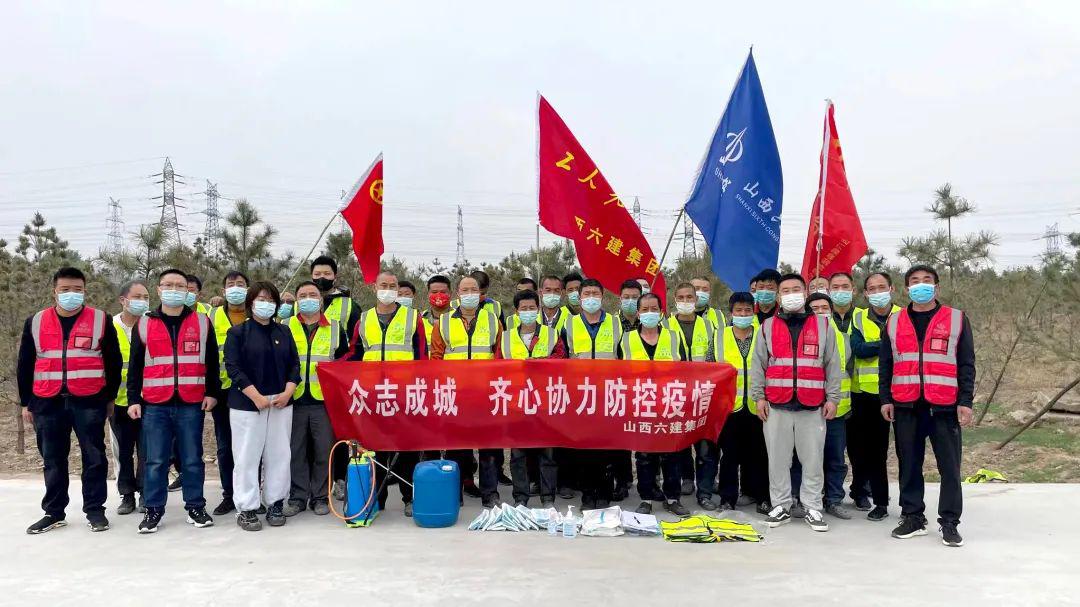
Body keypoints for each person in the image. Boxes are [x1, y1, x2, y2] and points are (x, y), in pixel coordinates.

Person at [18, 266, 123, 534]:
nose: (71, 294)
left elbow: (113, 360)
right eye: (65, 289)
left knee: (94, 457)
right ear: (54, 292)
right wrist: (25, 402)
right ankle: (53, 512)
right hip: (47, 401)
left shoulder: (100, 319)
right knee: (53, 459)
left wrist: (110, 396)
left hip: (89, 400)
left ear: (85, 291)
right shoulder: (36, 321)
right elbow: (25, 363)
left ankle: (95, 511)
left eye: (77, 289)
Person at [880, 264, 974, 548]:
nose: (921, 285)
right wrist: (885, 398)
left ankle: (949, 522)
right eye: (915, 281)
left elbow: (966, 363)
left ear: (937, 286)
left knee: (950, 467)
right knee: (909, 464)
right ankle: (912, 516)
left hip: (944, 406)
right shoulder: (894, 322)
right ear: (907, 288)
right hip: (906, 404)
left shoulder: (956, 319)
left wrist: (965, 401)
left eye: (927, 280)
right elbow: (886, 363)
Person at [127, 268, 221, 534]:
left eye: (180, 286)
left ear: (188, 291)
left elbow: (212, 361)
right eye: (168, 285)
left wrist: (212, 392)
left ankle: (196, 506)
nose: (174, 290)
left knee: (192, 459)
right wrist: (134, 399)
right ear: (158, 290)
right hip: (155, 403)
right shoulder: (144, 323)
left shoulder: (202, 322)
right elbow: (135, 366)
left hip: (191, 402)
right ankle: (153, 509)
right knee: (155, 460)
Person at [750, 273, 842, 532]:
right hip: (776, 405)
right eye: (786, 291)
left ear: (805, 293)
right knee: (778, 460)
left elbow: (833, 364)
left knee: (812, 460)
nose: (791, 295)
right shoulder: (767, 326)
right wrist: (759, 397)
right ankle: (781, 505)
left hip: (812, 405)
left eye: (796, 289)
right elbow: (758, 364)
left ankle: (813, 506)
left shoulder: (824, 326)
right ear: (779, 297)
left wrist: (833, 398)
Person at [348, 272, 428, 516]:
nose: (388, 289)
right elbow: (354, 354)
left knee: (406, 448)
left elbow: (421, 356)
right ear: (374, 288)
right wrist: (331, 368)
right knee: (375, 447)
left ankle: (409, 498)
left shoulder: (413, 318)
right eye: (384, 285)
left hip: (404, 393)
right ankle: (377, 498)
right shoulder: (364, 319)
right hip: (373, 395)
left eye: (393, 286)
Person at [224, 281, 300, 531]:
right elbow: (233, 367)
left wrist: (288, 392)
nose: (266, 304)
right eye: (261, 299)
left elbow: (294, 365)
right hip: (248, 404)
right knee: (247, 457)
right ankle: (247, 508)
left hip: (280, 403)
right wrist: (255, 396)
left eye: (270, 300)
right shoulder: (238, 333)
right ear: (251, 302)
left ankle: (276, 502)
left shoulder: (283, 332)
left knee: (279, 455)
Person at [429, 275, 502, 506]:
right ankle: (455, 493)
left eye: (474, 290)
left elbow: (500, 356)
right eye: (465, 290)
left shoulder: (493, 321)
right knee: (456, 448)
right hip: (456, 393)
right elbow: (436, 357)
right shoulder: (443, 322)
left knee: (489, 447)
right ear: (457, 294)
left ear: (480, 294)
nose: (469, 294)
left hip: (486, 393)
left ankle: (490, 494)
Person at [283, 281, 350, 518]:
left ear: (321, 300)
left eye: (313, 295)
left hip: (324, 400)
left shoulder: (335, 328)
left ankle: (320, 497)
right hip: (293, 399)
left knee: (324, 451)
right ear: (296, 300)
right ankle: (298, 497)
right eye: (303, 295)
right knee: (296, 451)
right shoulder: (285, 325)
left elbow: (344, 362)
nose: (308, 299)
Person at [622, 292, 691, 516]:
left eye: (654, 309)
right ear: (638, 313)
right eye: (645, 309)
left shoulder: (673, 337)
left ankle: (673, 498)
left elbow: (685, 370)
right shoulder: (627, 339)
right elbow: (619, 373)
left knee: (671, 454)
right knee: (644, 455)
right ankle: (646, 498)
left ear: (661, 312)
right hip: (640, 404)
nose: (649, 313)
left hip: (669, 404)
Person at [701, 292, 770, 513]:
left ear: (753, 312)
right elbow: (709, 370)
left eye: (747, 310)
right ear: (731, 312)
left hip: (758, 406)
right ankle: (727, 498)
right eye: (739, 310)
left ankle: (762, 497)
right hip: (729, 408)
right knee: (729, 456)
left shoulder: (763, 335)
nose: (743, 314)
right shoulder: (719, 336)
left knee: (759, 454)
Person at [791, 293, 855, 521]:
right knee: (802, 457)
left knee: (834, 457)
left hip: (835, 409)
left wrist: (833, 399)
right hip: (806, 407)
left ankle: (833, 500)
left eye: (824, 307)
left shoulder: (844, 338)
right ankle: (800, 499)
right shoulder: (799, 336)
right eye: (815, 308)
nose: (820, 312)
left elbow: (848, 371)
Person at [500, 290, 565, 508]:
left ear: (538, 309)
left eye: (532, 308)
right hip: (516, 402)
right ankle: (521, 497)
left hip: (545, 400)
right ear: (516, 312)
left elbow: (560, 359)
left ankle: (548, 498)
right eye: (523, 308)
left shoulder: (551, 334)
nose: (528, 311)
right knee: (518, 454)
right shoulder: (506, 337)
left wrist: (537, 363)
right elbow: (498, 366)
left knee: (547, 453)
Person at [563, 278, 622, 509]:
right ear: (579, 297)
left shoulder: (615, 323)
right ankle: (587, 494)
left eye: (595, 293)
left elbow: (623, 357)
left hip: (609, 393)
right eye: (586, 294)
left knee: (607, 447)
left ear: (602, 296)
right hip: (581, 395)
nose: (591, 298)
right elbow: (562, 358)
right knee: (584, 447)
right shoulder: (569, 324)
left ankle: (605, 493)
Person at [848, 271, 901, 521]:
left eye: (882, 287)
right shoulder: (858, 318)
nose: (878, 292)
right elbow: (858, 349)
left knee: (903, 452)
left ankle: (909, 505)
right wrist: (889, 344)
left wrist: (876, 347)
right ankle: (877, 501)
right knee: (871, 451)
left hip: (900, 392)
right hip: (866, 395)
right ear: (866, 294)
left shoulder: (904, 316)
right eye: (872, 288)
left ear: (892, 289)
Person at [205, 270, 249, 516]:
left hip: (251, 391)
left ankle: (251, 493)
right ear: (223, 291)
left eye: (240, 284)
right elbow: (207, 356)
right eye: (231, 284)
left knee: (251, 446)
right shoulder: (212, 316)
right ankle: (229, 495)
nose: (236, 288)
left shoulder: (256, 313)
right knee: (225, 445)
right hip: (222, 390)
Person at [668, 282, 716, 497]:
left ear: (696, 300)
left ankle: (706, 485)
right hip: (676, 392)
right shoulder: (665, 325)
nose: (685, 301)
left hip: (703, 392)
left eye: (689, 297)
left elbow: (715, 358)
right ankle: (687, 478)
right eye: (681, 297)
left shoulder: (709, 326)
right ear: (675, 300)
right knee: (681, 439)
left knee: (705, 444)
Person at [110, 280, 150, 516]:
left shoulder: (151, 325)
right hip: (118, 401)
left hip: (148, 399)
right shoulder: (110, 326)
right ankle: (126, 494)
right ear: (123, 300)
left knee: (147, 450)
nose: (142, 302)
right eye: (137, 297)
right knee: (122, 451)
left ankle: (145, 492)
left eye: (146, 297)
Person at [310, 255, 362, 340]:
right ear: (312, 276)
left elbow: (357, 340)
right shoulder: (299, 304)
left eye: (327, 274)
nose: (322, 277)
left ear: (335, 276)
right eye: (317, 274)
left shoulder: (350, 305)